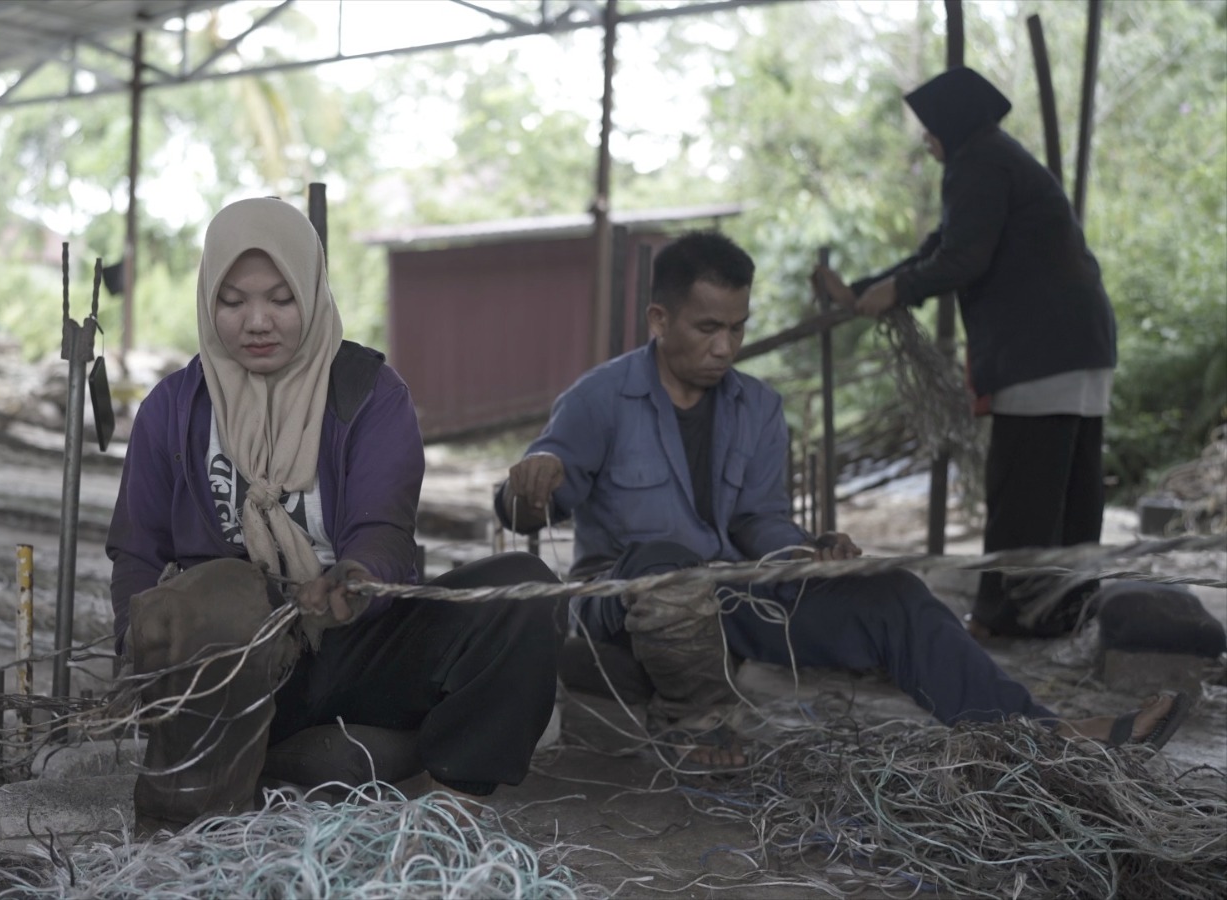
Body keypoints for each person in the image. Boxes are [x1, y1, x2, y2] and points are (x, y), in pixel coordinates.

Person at [496, 229, 1185, 767]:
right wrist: (531, 483)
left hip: (734, 594)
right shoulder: (599, 399)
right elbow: (529, 504)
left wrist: (804, 550)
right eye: (708, 328)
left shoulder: (758, 408)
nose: (726, 346)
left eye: (737, 327)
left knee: (894, 593)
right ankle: (694, 724)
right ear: (659, 318)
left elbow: (758, 519)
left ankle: (1043, 736)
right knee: (668, 562)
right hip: (625, 597)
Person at [107, 197, 562, 827]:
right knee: (224, 591)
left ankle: (453, 809)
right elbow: (137, 551)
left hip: (352, 649)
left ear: (314, 294)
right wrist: (141, 647)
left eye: (282, 299)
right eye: (233, 301)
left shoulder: (368, 395)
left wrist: (354, 580)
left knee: (524, 591)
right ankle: (221, 798)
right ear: (207, 301)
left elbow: (384, 531)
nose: (257, 321)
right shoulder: (175, 409)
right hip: (227, 675)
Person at [815, 67, 1117, 640]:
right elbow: (942, 247)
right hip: (1080, 337)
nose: (927, 139)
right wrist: (865, 290)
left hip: (1040, 345)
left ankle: (1002, 619)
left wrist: (897, 291)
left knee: (1022, 488)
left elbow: (963, 261)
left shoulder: (975, 163)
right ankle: (1067, 611)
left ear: (951, 125)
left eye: (930, 129)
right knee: (1071, 489)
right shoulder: (998, 157)